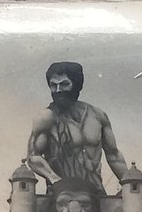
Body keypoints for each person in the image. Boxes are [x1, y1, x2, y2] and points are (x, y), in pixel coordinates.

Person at [27, 62, 127, 193]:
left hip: (95, 191)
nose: (58, 90)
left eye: (64, 84)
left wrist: (129, 183)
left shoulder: (98, 115)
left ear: (77, 84)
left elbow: (114, 155)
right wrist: (55, 179)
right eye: (53, 85)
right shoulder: (46, 117)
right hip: (61, 194)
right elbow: (33, 157)